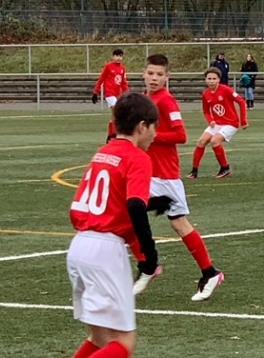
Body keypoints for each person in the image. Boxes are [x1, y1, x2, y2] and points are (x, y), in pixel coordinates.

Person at [35, 90, 160, 358]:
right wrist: (149, 255)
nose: (155, 135)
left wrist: (151, 210)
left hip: (80, 247)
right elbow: (134, 207)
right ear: (141, 126)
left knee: (99, 338)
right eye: (153, 127)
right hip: (105, 250)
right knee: (124, 342)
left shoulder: (103, 153)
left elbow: (116, 204)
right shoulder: (138, 158)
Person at [139, 54, 224, 301]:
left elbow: (181, 135)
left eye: (159, 74)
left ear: (167, 77)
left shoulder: (166, 101)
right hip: (147, 173)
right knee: (126, 211)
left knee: (179, 224)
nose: (154, 78)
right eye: (150, 73)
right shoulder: (144, 99)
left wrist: (151, 136)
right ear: (143, 73)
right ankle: (147, 265)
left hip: (165, 175)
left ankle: (208, 272)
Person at [191, 65, 247, 179]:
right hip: (217, 123)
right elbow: (206, 111)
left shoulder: (226, 90)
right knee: (201, 141)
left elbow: (241, 101)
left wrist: (243, 121)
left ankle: (225, 168)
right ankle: (194, 171)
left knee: (214, 141)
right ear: (205, 80)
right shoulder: (206, 93)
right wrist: (210, 120)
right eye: (209, 79)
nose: (211, 81)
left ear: (219, 79)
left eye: (214, 79)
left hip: (231, 123)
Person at [92, 49, 130, 142]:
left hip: (117, 94)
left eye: (120, 56)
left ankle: (110, 136)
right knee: (117, 111)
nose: (118, 58)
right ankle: (114, 134)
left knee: (114, 115)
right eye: (116, 56)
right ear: (113, 57)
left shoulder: (122, 68)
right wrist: (95, 92)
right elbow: (101, 79)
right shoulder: (108, 66)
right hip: (109, 93)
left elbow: (123, 83)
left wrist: (128, 94)